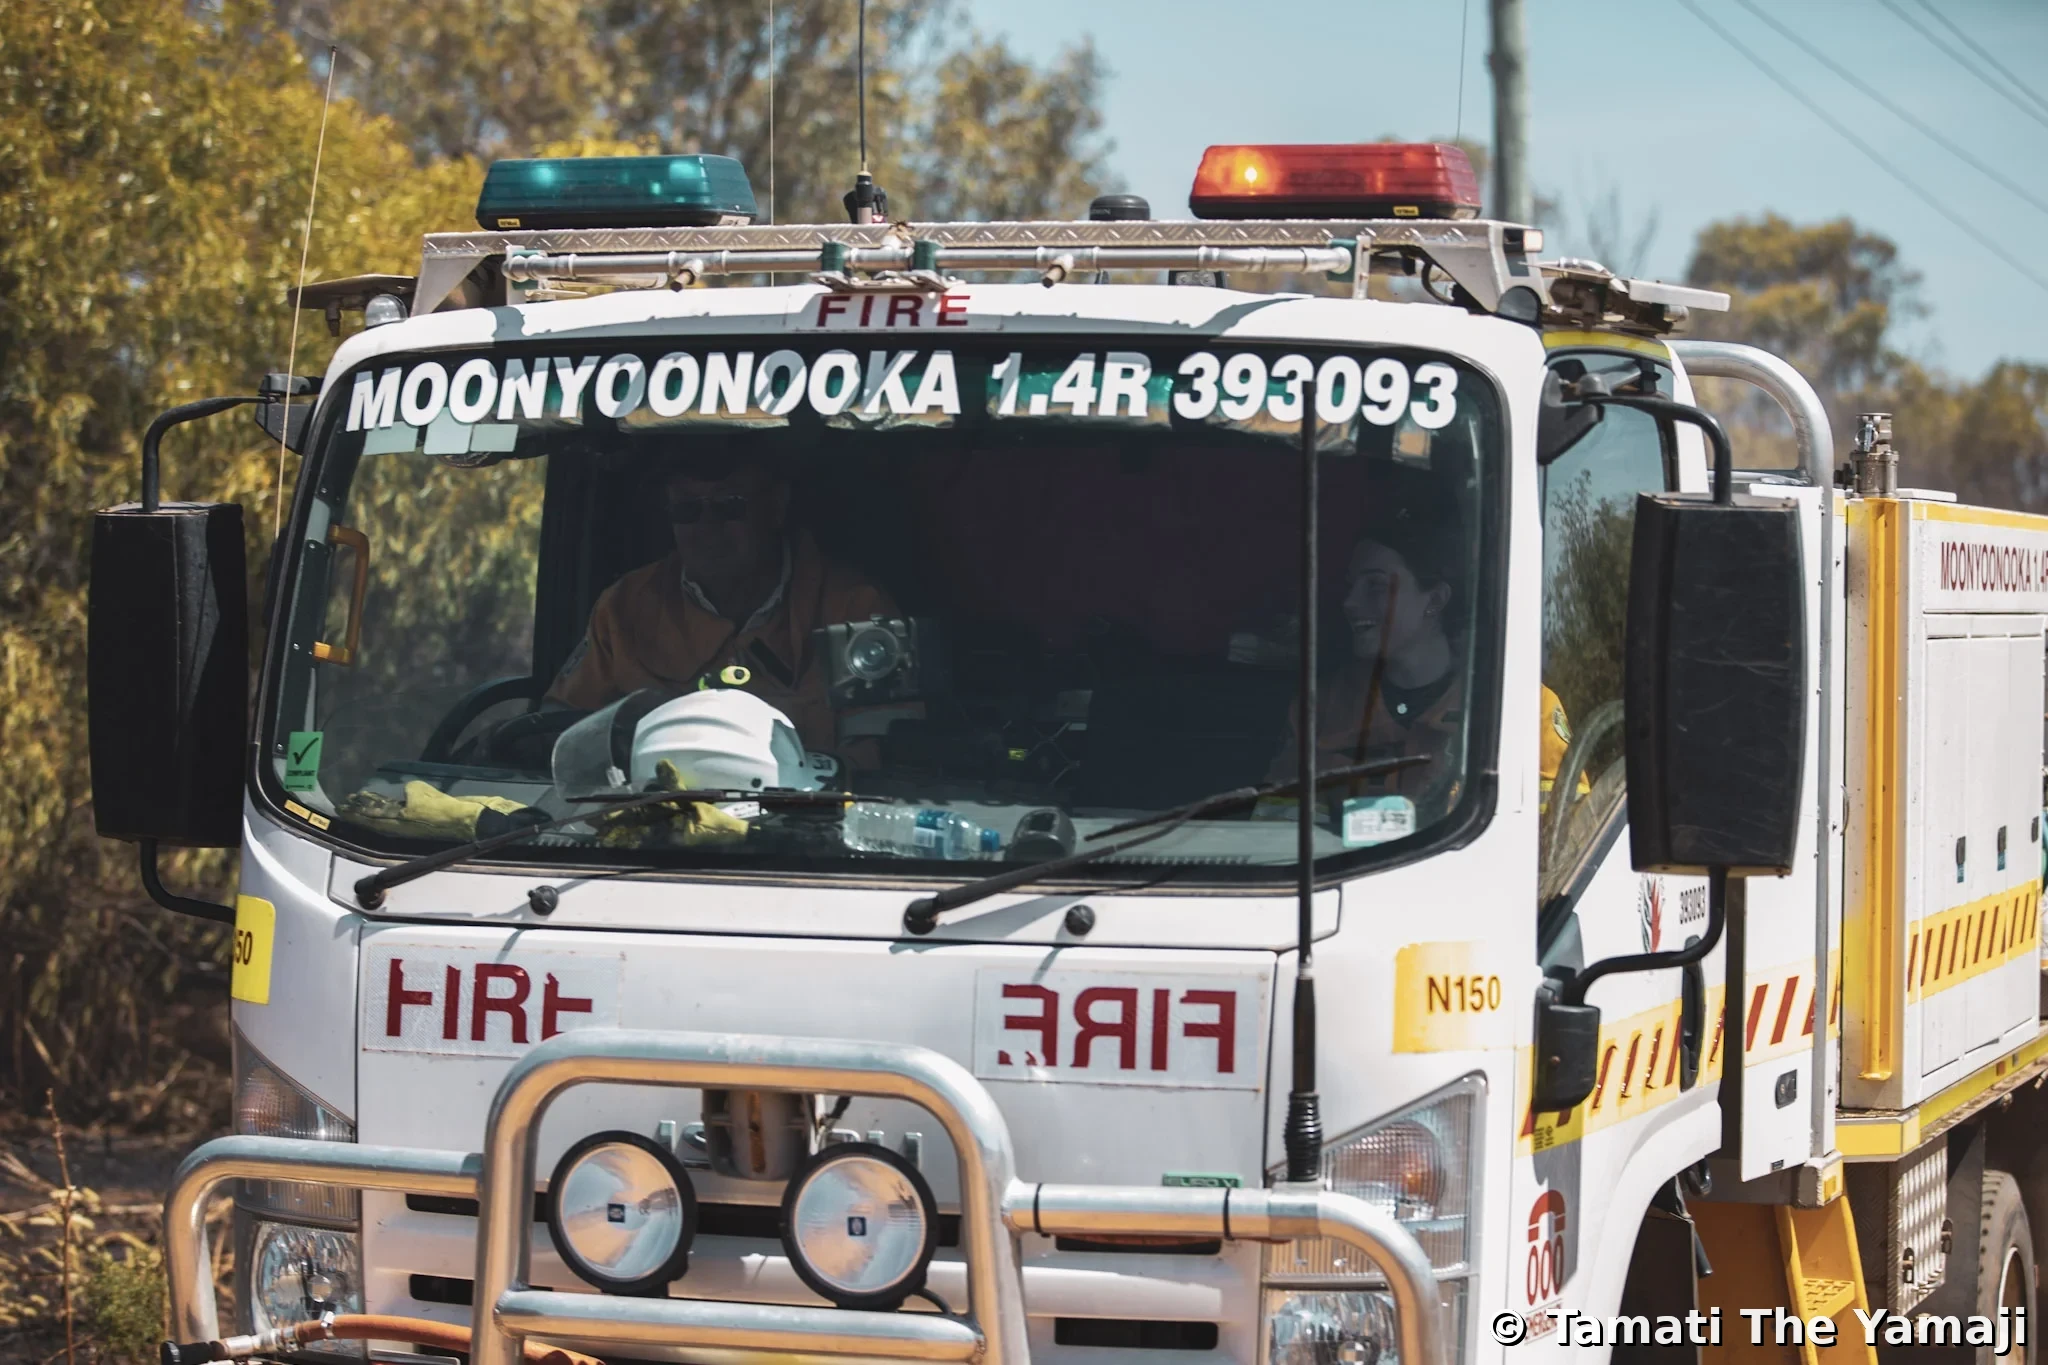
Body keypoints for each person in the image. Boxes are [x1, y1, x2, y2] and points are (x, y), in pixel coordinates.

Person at [547, 453, 896, 755]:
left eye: (730, 505)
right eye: (687, 509)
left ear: (776, 506)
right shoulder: (623, 609)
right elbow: (557, 731)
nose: (707, 527)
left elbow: (891, 755)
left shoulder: (856, 609)